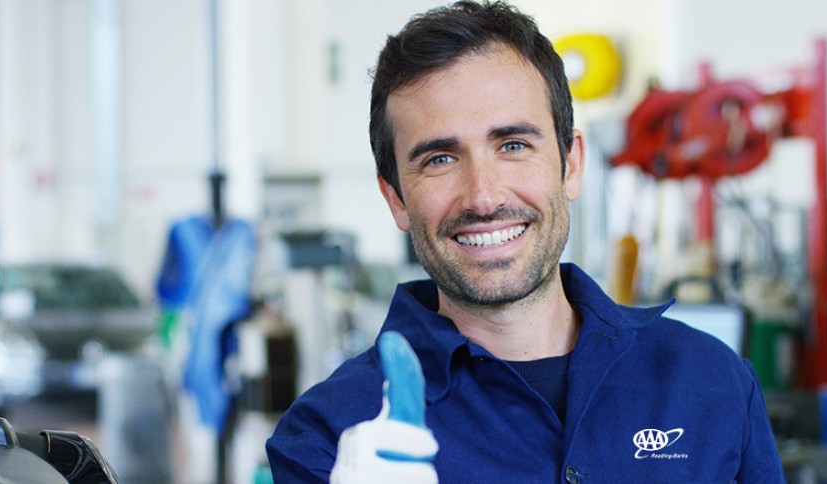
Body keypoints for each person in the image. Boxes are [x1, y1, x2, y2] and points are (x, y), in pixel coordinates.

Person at [266, 1, 784, 482]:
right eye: (439, 159)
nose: (484, 196)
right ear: (396, 199)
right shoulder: (325, 440)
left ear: (572, 165)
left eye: (512, 145)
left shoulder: (710, 380)